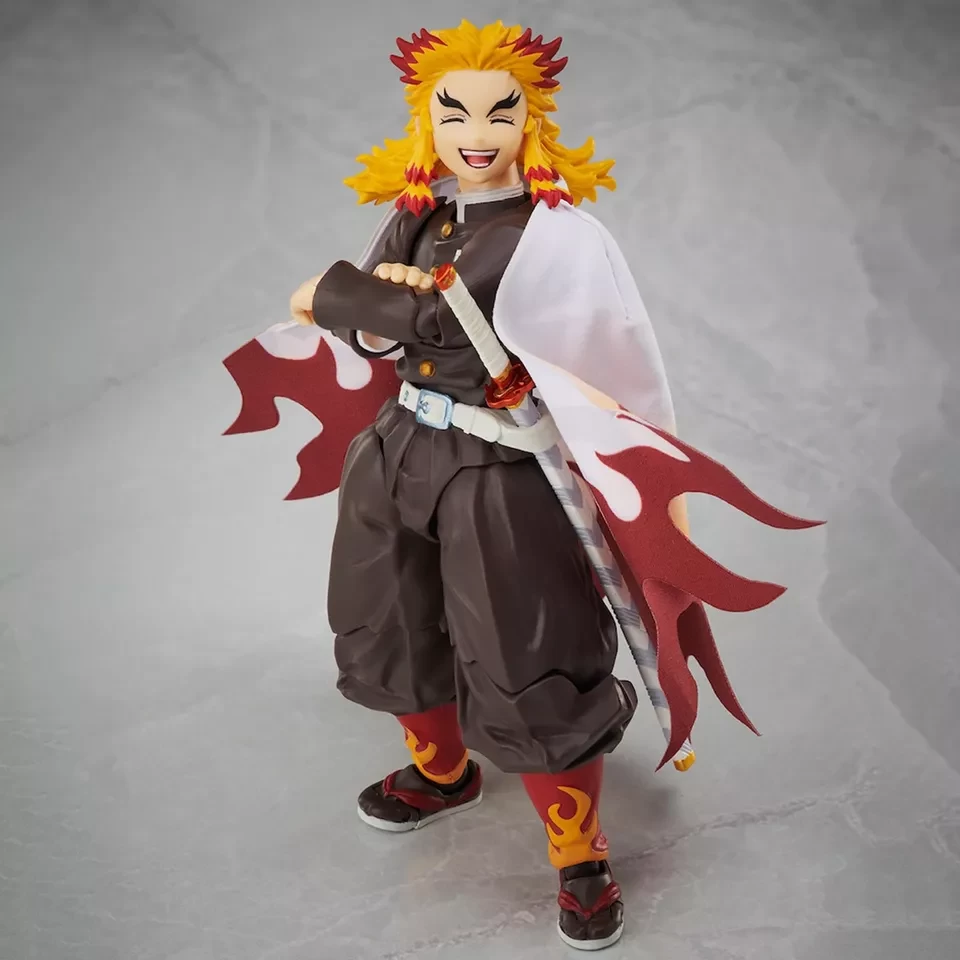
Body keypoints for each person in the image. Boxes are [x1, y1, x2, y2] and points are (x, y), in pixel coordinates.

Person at [227, 18, 820, 951]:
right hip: (398, 447)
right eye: (454, 112)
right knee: (385, 619)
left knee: (527, 648)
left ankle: (578, 852)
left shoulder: (547, 235)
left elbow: (433, 320)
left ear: (530, 122)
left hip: (499, 468)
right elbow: (382, 333)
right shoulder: (421, 213)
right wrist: (375, 310)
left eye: (498, 113)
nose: (476, 132)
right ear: (427, 121)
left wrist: (339, 294)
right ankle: (442, 771)